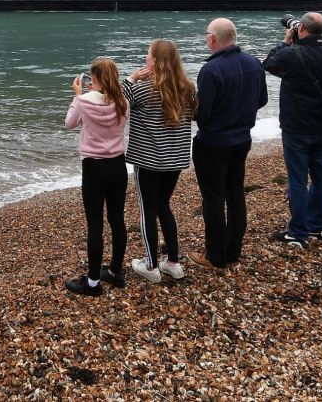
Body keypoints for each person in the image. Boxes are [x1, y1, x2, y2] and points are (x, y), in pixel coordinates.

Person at [262, 12, 322, 249]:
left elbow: (268, 63)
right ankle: (316, 225)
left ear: (300, 28)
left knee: (298, 179)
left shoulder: (291, 55)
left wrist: (286, 41)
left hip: (297, 127)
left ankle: (298, 233)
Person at [188, 18, 268, 270]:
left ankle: (215, 256)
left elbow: (204, 114)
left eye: (206, 35)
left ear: (212, 39)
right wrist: (240, 112)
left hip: (213, 142)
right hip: (242, 139)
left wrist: (191, 106)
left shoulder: (211, 70)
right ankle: (233, 252)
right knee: (235, 195)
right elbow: (263, 99)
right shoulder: (254, 63)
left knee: (213, 199)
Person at [123, 40, 197, 283]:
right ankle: (173, 262)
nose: (146, 58)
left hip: (148, 160)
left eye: (148, 55)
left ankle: (151, 265)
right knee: (164, 206)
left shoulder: (142, 89)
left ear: (154, 61)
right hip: (174, 160)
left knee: (147, 211)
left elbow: (116, 103)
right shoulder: (188, 88)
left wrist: (131, 78)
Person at [63, 58, 129, 296]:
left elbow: (69, 123)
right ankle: (114, 271)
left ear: (95, 79)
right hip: (118, 166)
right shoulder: (123, 101)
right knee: (117, 220)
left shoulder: (83, 101)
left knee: (95, 225)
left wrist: (77, 95)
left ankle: (92, 283)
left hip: (94, 167)